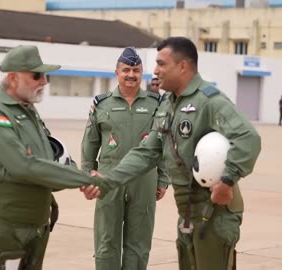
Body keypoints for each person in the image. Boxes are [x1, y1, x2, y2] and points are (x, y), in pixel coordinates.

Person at [82, 37, 261, 269]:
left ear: (183, 66)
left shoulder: (208, 101)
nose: (155, 71)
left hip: (213, 211)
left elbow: (248, 138)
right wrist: (108, 180)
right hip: (187, 210)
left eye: (161, 63)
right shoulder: (168, 105)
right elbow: (147, 152)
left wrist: (227, 181)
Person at [0, 45, 99, 270]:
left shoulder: (27, 110)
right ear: (13, 78)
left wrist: (76, 173)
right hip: (8, 224)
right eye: (36, 75)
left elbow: (49, 154)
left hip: (36, 222)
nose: (44, 81)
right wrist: (83, 178)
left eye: (45, 75)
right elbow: (24, 166)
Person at [81, 47, 170, 270]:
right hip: (107, 179)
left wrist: (162, 179)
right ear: (117, 72)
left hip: (144, 179)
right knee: (106, 240)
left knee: (139, 241)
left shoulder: (155, 104)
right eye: (126, 70)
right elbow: (89, 144)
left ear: (142, 74)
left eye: (136, 70)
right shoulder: (102, 104)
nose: (131, 74)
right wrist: (86, 177)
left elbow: (163, 143)